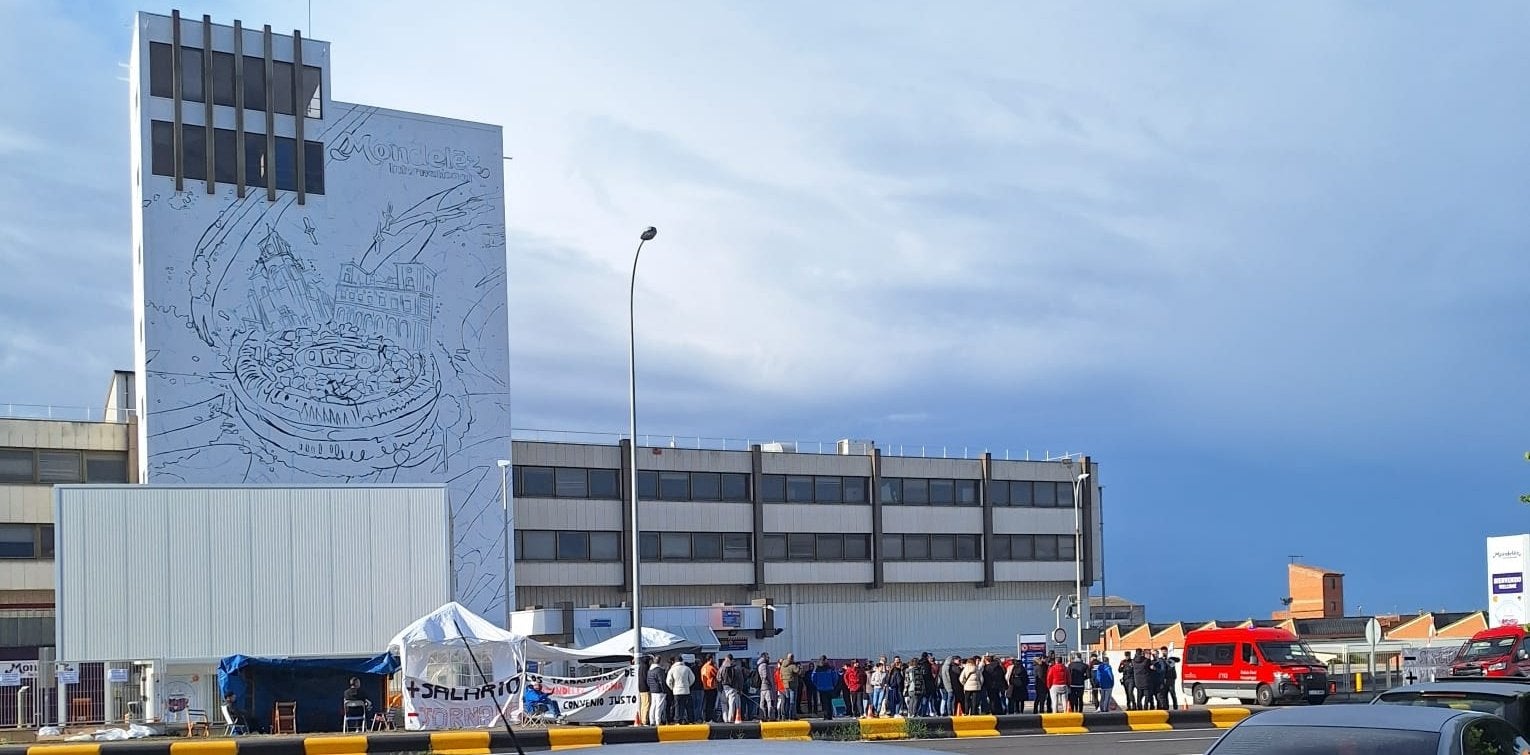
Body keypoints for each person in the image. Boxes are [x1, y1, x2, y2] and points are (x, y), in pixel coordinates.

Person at [668, 655, 696, 724]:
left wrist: (672, 688)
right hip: (686, 690)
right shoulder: (687, 668)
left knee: (677, 706)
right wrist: (688, 685)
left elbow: (668, 681)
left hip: (676, 691)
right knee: (688, 706)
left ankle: (677, 720)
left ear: (675, 661)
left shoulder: (672, 669)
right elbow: (692, 679)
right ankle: (691, 720)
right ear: (682, 660)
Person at [720, 654, 744, 723]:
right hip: (733, 688)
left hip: (724, 688)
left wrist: (719, 689)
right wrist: (740, 689)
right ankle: (730, 719)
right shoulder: (736, 668)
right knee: (731, 704)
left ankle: (725, 719)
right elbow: (740, 679)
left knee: (724, 704)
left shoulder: (722, 668)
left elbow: (718, 678)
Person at [647, 655, 670, 726]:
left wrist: (651, 688)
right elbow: (662, 681)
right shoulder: (659, 670)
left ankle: (652, 721)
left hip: (652, 690)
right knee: (659, 706)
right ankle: (658, 721)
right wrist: (665, 690)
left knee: (653, 706)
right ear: (660, 661)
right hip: (659, 691)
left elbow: (648, 682)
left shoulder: (650, 670)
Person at [779, 654, 801, 720]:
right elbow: (798, 672)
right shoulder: (792, 666)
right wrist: (799, 667)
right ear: (792, 658)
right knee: (792, 701)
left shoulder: (782, 666)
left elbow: (781, 675)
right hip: (792, 685)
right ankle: (792, 715)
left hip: (785, 685)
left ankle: (786, 715)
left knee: (787, 701)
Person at [700, 655, 719, 723]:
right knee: (711, 704)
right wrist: (716, 666)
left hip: (705, 687)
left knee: (707, 704)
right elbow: (718, 675)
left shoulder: (703, 667)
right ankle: (710, 718)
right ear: (711, 659)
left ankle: (706, 718)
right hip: (712, 687)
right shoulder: (711, 668)